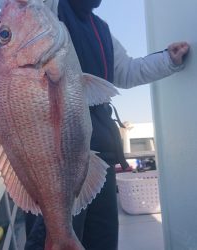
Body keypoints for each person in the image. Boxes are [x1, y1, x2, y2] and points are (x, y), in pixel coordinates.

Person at [24, 0, 190, 249]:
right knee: (54, 235)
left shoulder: (101, 29)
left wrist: (168, 60)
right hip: (54, 155)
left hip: (101, 154)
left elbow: (127, 71)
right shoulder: (46, 8)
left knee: (102, 240)